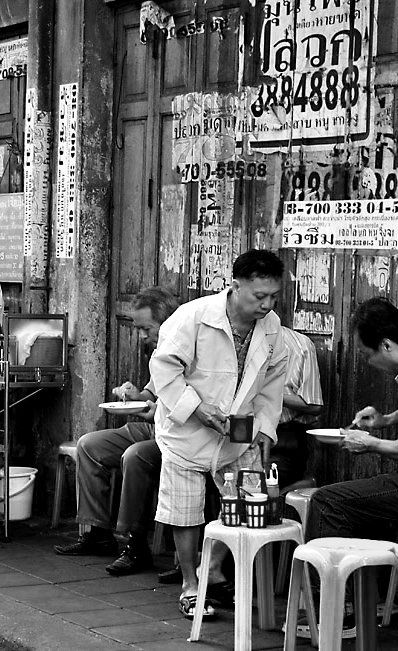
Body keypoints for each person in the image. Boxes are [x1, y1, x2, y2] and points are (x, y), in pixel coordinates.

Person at [150, 249, 287, 620]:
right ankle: (190, 586)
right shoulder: (193, 317)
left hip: (239, 431)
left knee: (247, 504)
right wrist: (198, 408)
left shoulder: (272, 328)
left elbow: (272, 388)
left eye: (274, 296)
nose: (267, 304)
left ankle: (214, 570)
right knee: (185, 509)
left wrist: (266, 432)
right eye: (259, 296)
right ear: (235, 285)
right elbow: (163, 369)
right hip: (188, 430)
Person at [54, 287, 180, 579]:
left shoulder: (186, 347)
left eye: (147, 328)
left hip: (174, 432)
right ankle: (98, 532)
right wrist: (134, 394)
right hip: (152, 426)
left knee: (135, 455)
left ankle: (136, 545)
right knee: (90, 445)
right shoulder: (160, 351)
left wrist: (155, 407)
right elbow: (151, 392)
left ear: (169, 321)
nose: (142, 335)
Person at [306, 298, 398, 541]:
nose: (369, 363)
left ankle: (328, 580)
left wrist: (370, 443)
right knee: (366, 502)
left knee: (327, 502)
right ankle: (378, 577)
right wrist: (386, 420)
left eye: (366, 355)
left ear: (386, 345)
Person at [273, 326, 324, 488]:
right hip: (237, 435)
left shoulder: (300, 344)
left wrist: (268, 392)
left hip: (283, 439)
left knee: (269, 500)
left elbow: (314, 405)